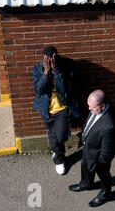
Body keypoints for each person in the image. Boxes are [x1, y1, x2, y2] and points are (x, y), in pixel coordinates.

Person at [69, 90, 115, 208]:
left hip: (99, 156)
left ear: (102, 106)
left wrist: (100, 162)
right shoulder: (98, 108)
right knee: (85, 165)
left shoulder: (110, 126)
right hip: (89, 148)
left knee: (103, 175)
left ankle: (105, 194)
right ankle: (86, 183)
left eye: (92, 108)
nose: (89, 110)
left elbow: (107, 151)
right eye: (89, 107)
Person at [33, 46, 80, 175]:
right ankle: (59, 159)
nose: (49, 62)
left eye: (52, 59)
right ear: (44, 59)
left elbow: (66, 90)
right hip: (46, 109)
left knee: (60, 137)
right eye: (46, 60)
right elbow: (39, 90)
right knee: (54, 138)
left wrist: (57, 71)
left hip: (63, 109)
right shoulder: (38, 69)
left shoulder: (67, 67)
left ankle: (61, 135)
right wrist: (46, 73)